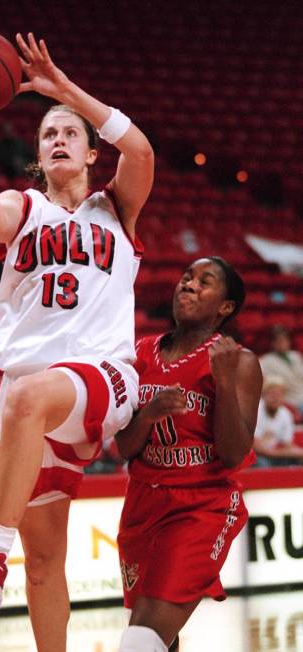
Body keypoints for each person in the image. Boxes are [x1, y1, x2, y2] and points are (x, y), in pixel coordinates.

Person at [0, 32, 154, 652]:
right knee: (46, 559)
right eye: (48, 134)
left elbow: (139, 149)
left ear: (88, 155)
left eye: (70, 134)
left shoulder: (117, 210)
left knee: (25, 397)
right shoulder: (23, 207)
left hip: (104, 379)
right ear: (38, 155)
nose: (58, 139)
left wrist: (63, 92)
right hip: (37, 407)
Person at [115, 256, 262, 652]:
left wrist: (225, 383)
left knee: (140, 640)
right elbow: (124, 447)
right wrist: (149, 414)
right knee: (161, 638)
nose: (190, 285)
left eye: (205, 281)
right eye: (187, 277)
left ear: (225, 307)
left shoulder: (240, 362)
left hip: (201, 507)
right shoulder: (140, 354)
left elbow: (233, 454)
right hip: (142, 506)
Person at [253, 376, 303, 467]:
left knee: (295, 462)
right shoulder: (255, 411)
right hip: (257, 455)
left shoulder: (286, 414)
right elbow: (256, 447)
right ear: (263, 395)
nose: (275, 398)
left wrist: (297, 452)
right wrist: (283, 453)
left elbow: (287, 444)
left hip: (275, 453)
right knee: (262, 464)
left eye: (279, 395)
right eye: (272, 394)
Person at [259, 325, 303, 416]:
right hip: (290, 401)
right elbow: (265, 387)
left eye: (286, 340)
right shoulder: (266, 361)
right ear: (273, 343)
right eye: (279, 340)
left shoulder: (296, 356)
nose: (283, 343)